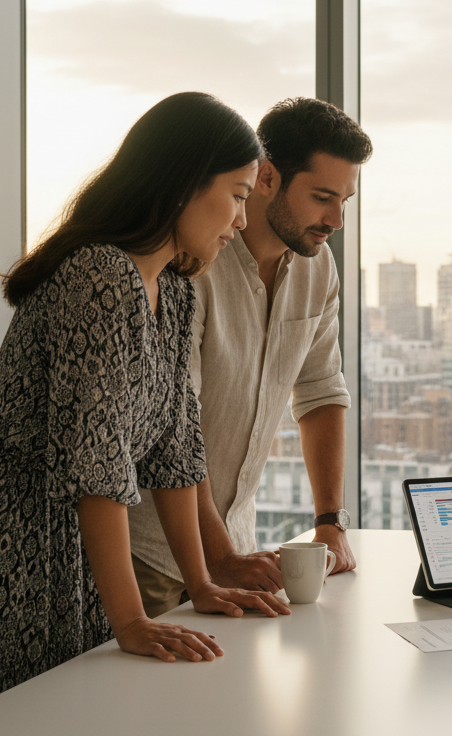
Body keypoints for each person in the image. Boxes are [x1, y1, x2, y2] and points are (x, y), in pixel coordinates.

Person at [0, 93, 291, 736]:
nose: (243, 220)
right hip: (6, 544)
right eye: (239, 194)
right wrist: (132, 620)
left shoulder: (179, 289)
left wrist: (203, 582)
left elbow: (176, 451)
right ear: (185, 184)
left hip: (75, 552)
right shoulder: (100, 276)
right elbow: (96, 465)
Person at [128, 97, 373, 617]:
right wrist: (215, 560)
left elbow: (323, 391)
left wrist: (331, 520)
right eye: (322, 197)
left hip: (239, 549)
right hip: (148, 554)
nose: (337, 219)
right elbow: (177, 427)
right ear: (265, 177)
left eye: (345, 201)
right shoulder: (191, 266)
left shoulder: (317, 266)